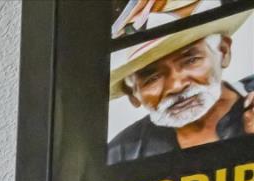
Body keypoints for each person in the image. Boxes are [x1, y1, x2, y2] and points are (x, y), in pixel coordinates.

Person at [108, 9, 254, 164]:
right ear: (132, 95)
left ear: (223, 52)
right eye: (153, 78)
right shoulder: (120, 154)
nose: (176, 86)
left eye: (191, 60)